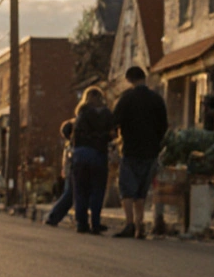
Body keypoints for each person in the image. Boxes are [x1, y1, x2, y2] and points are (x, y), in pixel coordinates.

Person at [112, 66, 168, 239]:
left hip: (130, 149)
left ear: (129, 80)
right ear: (144, 77)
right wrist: (156, 142)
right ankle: (139, 224)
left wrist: (118, 135)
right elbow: (164, 125)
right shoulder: (156, 99)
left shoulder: (126, 98)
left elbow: (114, 121)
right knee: (142, 191)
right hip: (150, 151)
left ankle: (130, 224)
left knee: (128, 189)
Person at [70, 86, 114, 234]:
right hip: (99, 154)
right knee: (97, 190)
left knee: (81, 190)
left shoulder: (81, 112)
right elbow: (112, 134)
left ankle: (81, 223)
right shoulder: (107, 114)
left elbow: (72, 133)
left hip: (81, 154)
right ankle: (95, 223)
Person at [44, 118, 77, 227]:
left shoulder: (69, 144)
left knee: (70, 195)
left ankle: (54, 217)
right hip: (72, 171)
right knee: (69, 195)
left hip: (68, 171)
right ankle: (53, 216)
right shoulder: (72, 144)